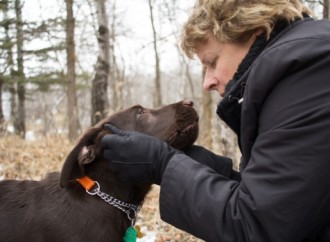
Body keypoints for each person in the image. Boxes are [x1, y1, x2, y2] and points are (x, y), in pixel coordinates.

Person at [101, 0, 330, 241]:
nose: (207, 82)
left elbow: (258, 227)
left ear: (256, 33)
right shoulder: (301, 68)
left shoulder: (309, 74)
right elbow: (284, 201)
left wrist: (163, 165)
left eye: (212, 62)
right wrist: (201, 164)